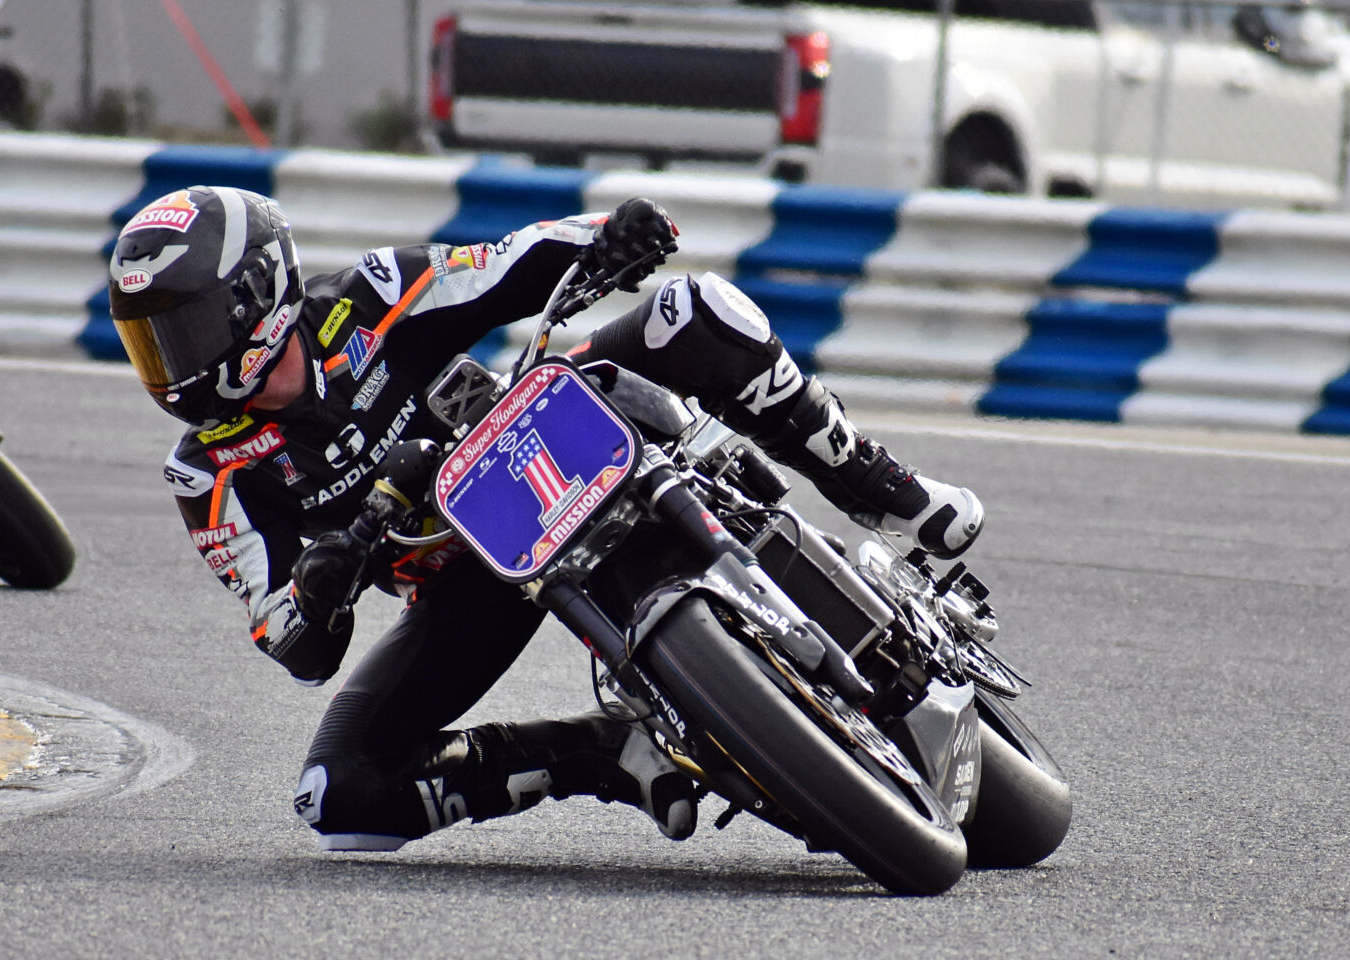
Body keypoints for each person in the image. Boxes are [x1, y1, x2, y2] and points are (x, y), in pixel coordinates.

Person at [108, 186, 985, 851]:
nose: (169, 365)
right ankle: (599, 755)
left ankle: (883, 488)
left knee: (697, 310)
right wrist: (318, 584)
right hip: (472, 575)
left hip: (549, 435)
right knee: (337, 799)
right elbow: (288, 638)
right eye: (150, 341)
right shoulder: (206, 469)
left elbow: (507, 264)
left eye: (180, 330)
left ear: (256, 294)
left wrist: (605, 236)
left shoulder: (370, 298)